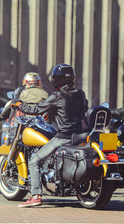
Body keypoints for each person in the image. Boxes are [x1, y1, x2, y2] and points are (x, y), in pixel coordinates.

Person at [13, 64, 88, 207]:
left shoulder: (57, 96)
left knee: (34, 162)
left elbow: (35, 109)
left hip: (63, 137)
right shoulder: (80, 93)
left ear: (56, 79)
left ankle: (35, 196)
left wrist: (19, 106)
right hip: (80, 136)